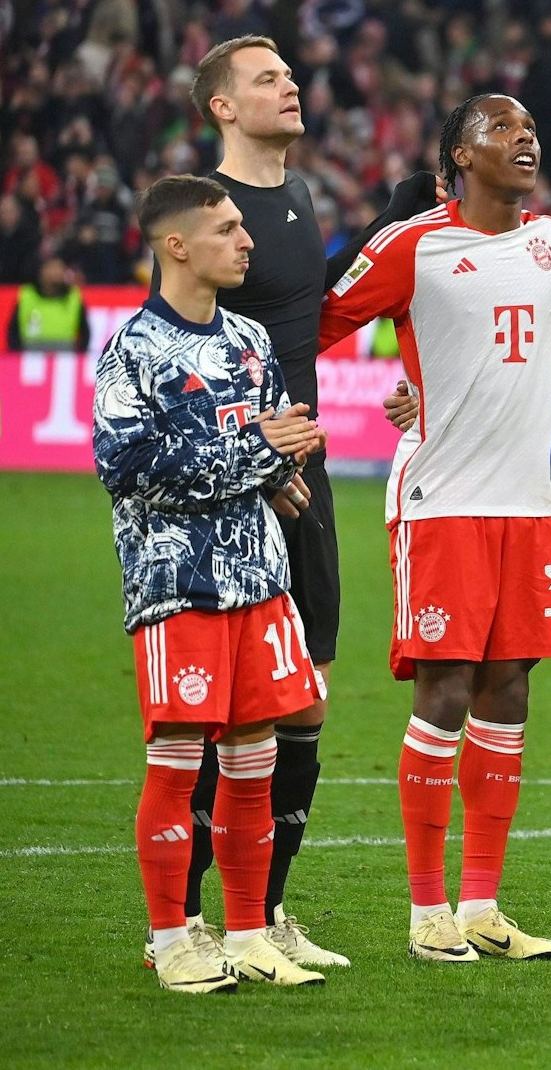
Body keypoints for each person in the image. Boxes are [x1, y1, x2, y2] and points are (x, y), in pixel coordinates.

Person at [157, 35, 438, 971]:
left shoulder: (298, 197)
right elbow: (183, 349)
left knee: (305, 697)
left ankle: (267, 912)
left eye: (288, 73)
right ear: (222, 106)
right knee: (223, 712)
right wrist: (250, 456)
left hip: (302, 479)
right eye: (266, 78)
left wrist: (388, 223)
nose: (290, 86)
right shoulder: (203, 209)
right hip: (239, 489)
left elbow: (306, 316)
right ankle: (185, 922)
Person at [319, 93, 551, 964]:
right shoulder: (413, 244)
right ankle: (428, 911)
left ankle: (482, 905)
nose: (524, 137)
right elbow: (317, 322)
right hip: (443, 499)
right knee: (447, 693)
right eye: (501, 128)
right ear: (459, 156)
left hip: (527, 504)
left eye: (530, 126)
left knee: (509, 694)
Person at [93, 175, 327, 992]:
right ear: (177, 246)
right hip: (177, 583)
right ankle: (171, 939)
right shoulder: (132, 349)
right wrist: (261, 454)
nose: (246, 240)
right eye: (226, 228)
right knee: (176, 759)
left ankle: (249, 931)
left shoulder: (251, 340)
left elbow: (274, 444)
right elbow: (128, 466)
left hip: (259, 580)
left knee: (254, 758)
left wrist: (283, 465)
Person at [6, 254, 89, 352]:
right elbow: (13, 332)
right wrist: (18, 356)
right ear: (41, 271)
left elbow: (85, 333)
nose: (56, 272)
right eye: (51, 267)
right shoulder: (27, 296)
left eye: (60, 267)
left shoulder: (73, 297)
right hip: (30, 356)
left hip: (65, 356)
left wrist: (77, 356)